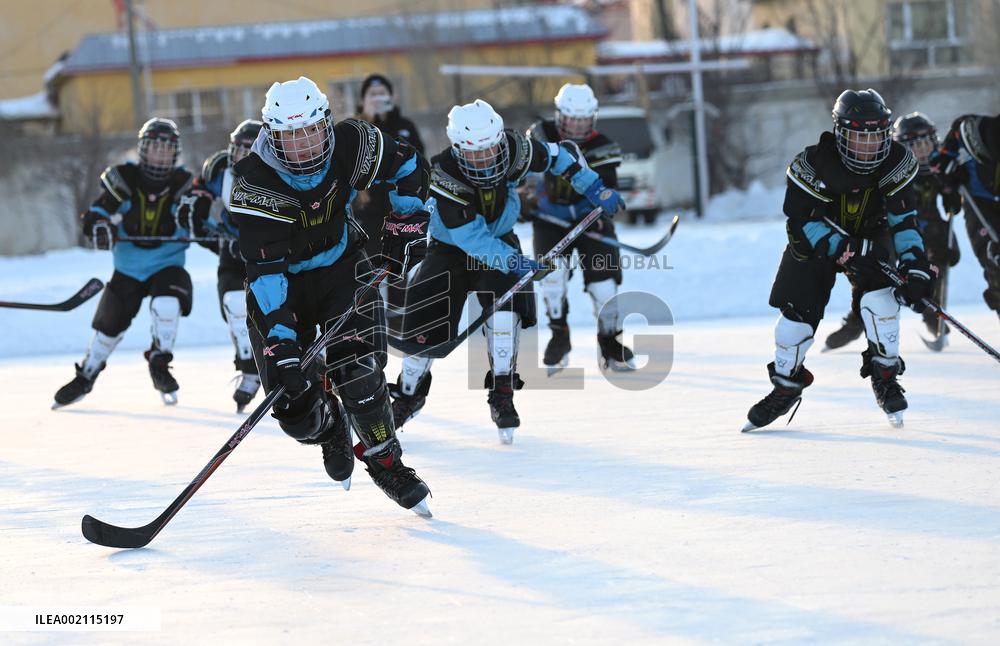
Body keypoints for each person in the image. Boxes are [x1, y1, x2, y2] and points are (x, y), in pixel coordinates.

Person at [227, 76, 431, 515]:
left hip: (343, 268)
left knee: (359, 371)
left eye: (311, 132)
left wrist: (408, 221)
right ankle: (331, 424)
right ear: (270, 136)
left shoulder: (352, 142)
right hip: (282, 289)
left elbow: (410, 165)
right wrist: (282, 343)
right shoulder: (254, 183)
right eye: (289, 137)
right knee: (294, 408)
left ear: (326, 123)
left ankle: (385, 462)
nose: (303, 146)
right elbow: (266, 274)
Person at [388, 99, 625, 444]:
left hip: (501, 239)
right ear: (458, 150)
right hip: (452, 250)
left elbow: (560, 156)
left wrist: (593, 186)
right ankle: (409, 394)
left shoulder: (516, 150)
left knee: (505, 312)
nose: (487, 159)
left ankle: (502, 391)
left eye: (492, 149)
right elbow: (472, 239)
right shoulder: (443, 175)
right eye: (476, 154)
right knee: (424, 321)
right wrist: (515, 262)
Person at [743, 89, 933, 431]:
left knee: (882, 304)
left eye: (876, 138)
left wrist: (915, 265)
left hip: (873, 240)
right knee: (792, 326)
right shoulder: (810, 164)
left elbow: (904, 222)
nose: (868, 147)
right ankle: (786, 386)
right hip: (814, 247)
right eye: (859, 138)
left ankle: (885, 374)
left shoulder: (897, 165)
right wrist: (841, 246)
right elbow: (801, 220)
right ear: (841, 134)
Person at [54, 118, 196, 408]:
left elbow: (202, 220)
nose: (160, 154)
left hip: (167, 263)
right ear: (143, 149)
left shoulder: (183, 184)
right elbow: (95, 214)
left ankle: (159, 362)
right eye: (154, 147)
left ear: (175, 152)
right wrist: (99, 227)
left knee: (167, 305)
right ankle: (87, 374)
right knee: (109, 325)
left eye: (166, 149)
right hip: (129, 267)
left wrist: (204, 227)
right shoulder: (125, 179)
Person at [823, 111, 960, 350]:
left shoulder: (939, 170)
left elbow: (950, 197)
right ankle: (857, 321)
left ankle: (931, 313)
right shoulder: (898, 172)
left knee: (935, 266)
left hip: (932, 230)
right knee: (876, 279)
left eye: (927, 143)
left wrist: (952, 195)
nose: (923, 151)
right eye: (915, 146)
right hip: (894, 233)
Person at [527, 83, 634, 373]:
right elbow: (526, 173)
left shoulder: (604, 145)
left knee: (604, 284)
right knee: (552, 277)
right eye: (571, 119)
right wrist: (525, 200)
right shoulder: (540, 134)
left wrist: (603, 207)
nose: (576, 126)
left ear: (593, 118)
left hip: (590, 221)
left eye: (583, 120)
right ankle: (559, 335)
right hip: (549, 220)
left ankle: (610, 341)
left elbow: (607, 185)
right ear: (560, 115)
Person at [182, 119, 263, 411]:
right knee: (234, 302)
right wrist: (197, 219)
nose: (242, 155)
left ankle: (295, 366)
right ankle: (249, 368)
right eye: (239, 148)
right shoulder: (220, 173)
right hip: (232, 253)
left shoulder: (279, 174)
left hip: (270, 255)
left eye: (250, 149)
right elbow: (197, 194)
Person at [930, 112, 1000, 323]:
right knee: (994, 257)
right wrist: (948, 179)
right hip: (979, 202)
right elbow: (940, 161)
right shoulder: (976, 131)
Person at [352, 74, 426, 260]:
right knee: (366, 269)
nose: (377, 98)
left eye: (381, 94)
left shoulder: (405, 126)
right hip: (367, 208)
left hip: (400, 208)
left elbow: (420, 161)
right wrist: (367, 117)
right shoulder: (356, 128)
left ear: (391, 97)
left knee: (398, 266)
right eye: (372, 94)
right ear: (363, 100)